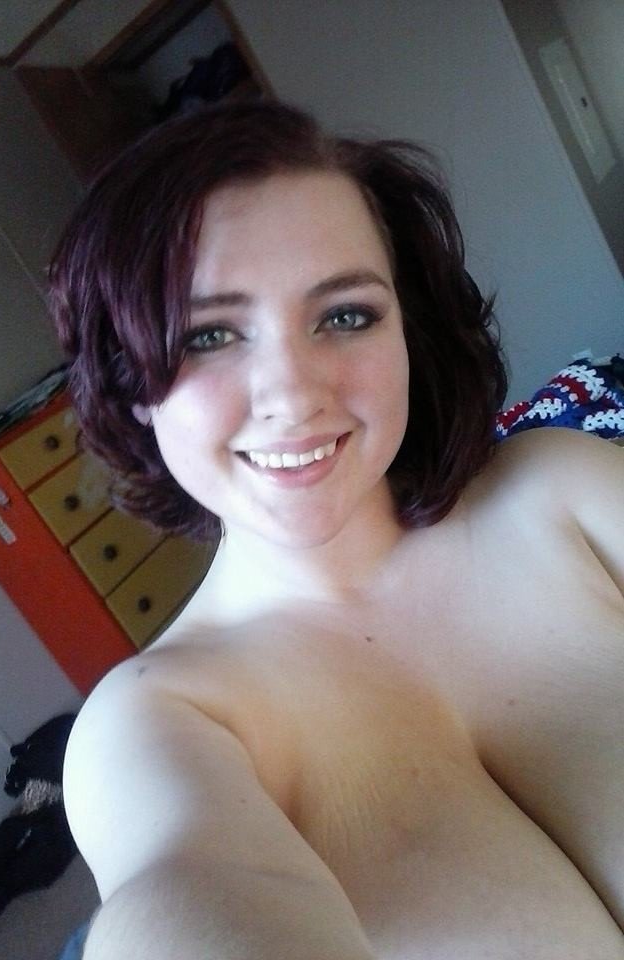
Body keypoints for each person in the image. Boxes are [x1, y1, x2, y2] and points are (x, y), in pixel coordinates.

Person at [48, 100, 624, 959]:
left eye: (345, 315)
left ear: (406, 329)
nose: (291, 394)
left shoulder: (562, 487)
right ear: (131, 383)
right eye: (207, 335)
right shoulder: (159, 720)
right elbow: (182, 899)